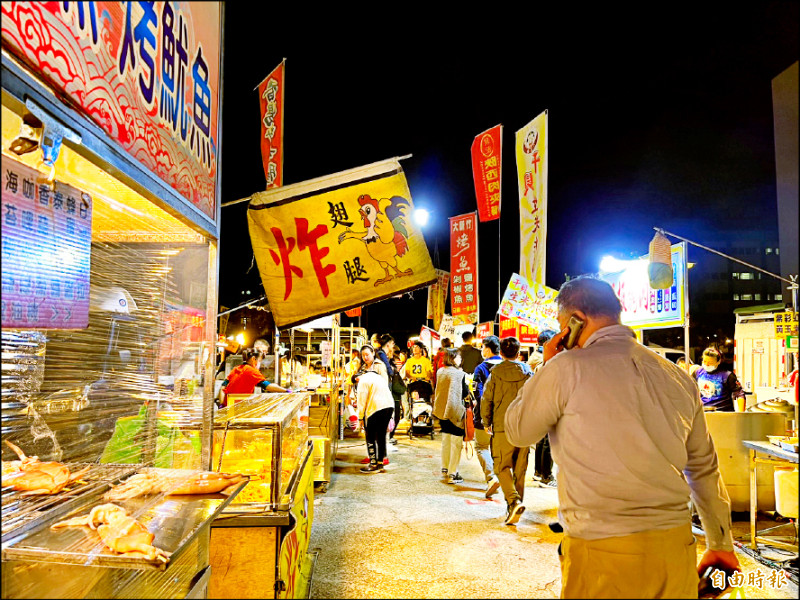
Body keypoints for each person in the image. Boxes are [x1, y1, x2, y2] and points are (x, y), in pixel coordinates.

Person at [504, 276, 738, 598]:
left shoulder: (565, 368)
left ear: (577, 319)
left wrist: (547, 364)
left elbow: (518, 431)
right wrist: (721, 544)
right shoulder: (677, 376)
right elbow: (703, 468)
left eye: (562, 324)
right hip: (675, 548)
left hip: (602, 552)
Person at [481, 337, 532, 524]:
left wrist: (486, 421)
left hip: (502, 425)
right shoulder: (529, 373)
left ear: (501, 353)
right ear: (519, 354)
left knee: (501, 466)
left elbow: (486, 399)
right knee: (520, 468)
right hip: (524, 427)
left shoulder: (495, 373)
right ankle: (514, 506)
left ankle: (513, 501)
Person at [471, 335, 503, 498]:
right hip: (504, 416)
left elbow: (478, 394)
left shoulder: (481, 369)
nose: (482, 350)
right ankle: (503, 477)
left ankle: (491, 478)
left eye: (482, 347)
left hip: (484, 416)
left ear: (488, 349)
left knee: (481, 446)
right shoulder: (508, 367)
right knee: (497, 448)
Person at [432, 348, 469, 484]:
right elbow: (464, 392)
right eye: (459, 357)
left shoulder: (440, 371)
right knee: (456, 442)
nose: (460, 359)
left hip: (442, 411)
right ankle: (453, 473)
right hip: (454, 411)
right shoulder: (459, 374)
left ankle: (445, 467)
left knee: (446, 440)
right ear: (453, 358)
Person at [530, 329, 558, 487]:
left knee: (541, 439)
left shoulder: (540, 363)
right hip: (549, 405)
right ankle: (547, 476)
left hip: (540, 405)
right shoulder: (549, 364)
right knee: (548, 440)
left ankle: (538, 472)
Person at [353, 366, 395, 473]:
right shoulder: (377, 377)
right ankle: (380, 463)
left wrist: (360, 417)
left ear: (357, 379)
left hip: (376, 408)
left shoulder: (362, 381)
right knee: (381, 435)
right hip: (389, 405)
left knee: (370, 436)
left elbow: (361, 401)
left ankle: (373, 464)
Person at [355, 345, 390, 466]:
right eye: (363, 355)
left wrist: (360, 416)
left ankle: (380, 458)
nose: (365, 357)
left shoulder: (379, 365)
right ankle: (375, 457)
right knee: (373, 432)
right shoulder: (363, 367)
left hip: (379, 400)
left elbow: (385, 383)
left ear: (373, 354)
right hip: (370, 402)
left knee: (378, 433)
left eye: (367, 354)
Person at [220, 349, 287, 406]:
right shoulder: (251, 371)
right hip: (237, 408)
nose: (260, 364)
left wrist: (222, 405)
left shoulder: (236, 369)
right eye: (260, 361)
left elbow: (223, 386)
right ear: (253, 359)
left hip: (228, 406)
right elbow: (268, 386)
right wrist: (286, 390)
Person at [690, 346, 746, 412]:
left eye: (710, 362)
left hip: (723, 412)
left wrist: (741, 414)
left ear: (718, 362)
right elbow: (690, 389)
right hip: (703, 412)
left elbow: (740, 394)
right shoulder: (697, 372)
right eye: (704, 361)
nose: (707, 364)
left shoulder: (727, 375)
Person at [377, 334, 402, 444]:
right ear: (387, 345)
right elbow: (389, 370)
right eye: (392, 344)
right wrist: (392, 371)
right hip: (384, 389)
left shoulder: (382, 354)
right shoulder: (381, 354)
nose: (393, 346)